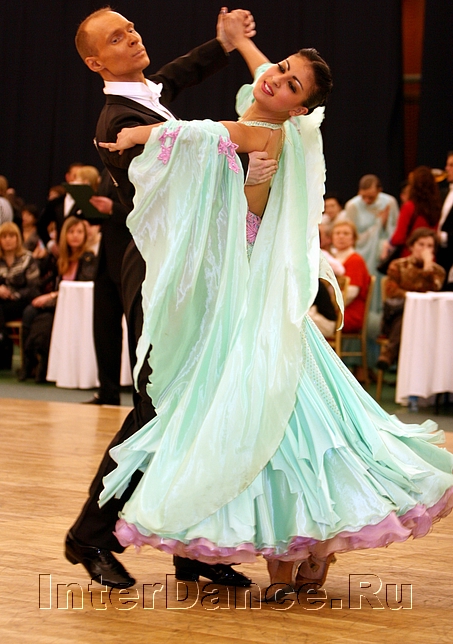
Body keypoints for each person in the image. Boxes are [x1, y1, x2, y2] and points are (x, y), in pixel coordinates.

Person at [98, 32, 453, 599]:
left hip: (255, 300)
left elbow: (210, 133)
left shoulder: (266, 131)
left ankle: (300, 554)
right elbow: (260, 86)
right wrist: (244, 46)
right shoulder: (277, 118)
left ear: (300, 108)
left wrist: (143, 133)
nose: (276, 79)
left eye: (291, 85)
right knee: (286, 422)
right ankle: (301, 558)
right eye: (281, 68)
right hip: (245, 296)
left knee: (282, 421)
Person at [65, 6, 268, 590]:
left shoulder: (144, 98)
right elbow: (179, 175)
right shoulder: (117, 121)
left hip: (188, 269)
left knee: (197, 407)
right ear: (95, 62)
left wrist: (223, 43)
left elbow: (175, 76)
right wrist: (245, 147)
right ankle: (89, 535)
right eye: (117, 37)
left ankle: (191, 548)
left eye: (132, 28)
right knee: (156, 410)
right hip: (157, 275)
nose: (133, 37)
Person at [19, 216, 98, 382]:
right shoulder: (59, 258)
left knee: (45, 321)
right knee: (29, 312)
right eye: (71, 232)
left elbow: (80, 287)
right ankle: (28, 362)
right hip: (57, 302)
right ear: (64, 235)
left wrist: (51, 296)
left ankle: (42, 365)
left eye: (79, 232)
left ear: (85, 235)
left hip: (72, 306)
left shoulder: (89, 258)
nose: (75, 236)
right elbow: (45, 281)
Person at [377, 228, 445, 371]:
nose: (425, 249)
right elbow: (392, 291)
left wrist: (428, 266)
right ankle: (391, 355)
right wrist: (413, 298)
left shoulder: (438, 272)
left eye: (429, 246)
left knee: (415, 318)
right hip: (396, 315)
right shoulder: (397, 265)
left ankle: (389, 354)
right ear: (412, 246)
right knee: (406, 316)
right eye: (421, 244)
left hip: (428, 320)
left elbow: (435, 290)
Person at [344, 174, 399, 316]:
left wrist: (384, 224)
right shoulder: (352, 206)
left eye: (371, 197)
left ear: (379, 191)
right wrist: (378, 225)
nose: (367, 201)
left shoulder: (389, 202)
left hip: (381, 255)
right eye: (363, 197)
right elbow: (352, 235)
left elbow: (394, 231)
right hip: (362, 253)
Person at [380, 166, 442, 263]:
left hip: (410, 258)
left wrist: (388, 244)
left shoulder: (409, 207)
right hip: (429, 257)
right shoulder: (436, 207)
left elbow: (399, 238)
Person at [0, 222, 40, 369]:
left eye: (11, 236)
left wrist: (14, 294)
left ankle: (2, 337)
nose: (8, 240)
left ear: (18, 238)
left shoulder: (27, 258)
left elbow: (34, 287)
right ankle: (2, 336)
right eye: (4, 237)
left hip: (23, 300)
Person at [330, 220, 371, 334]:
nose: (341, 236)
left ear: (353, 239)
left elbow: (351, 293)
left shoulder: (355, 260)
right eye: (337, 233)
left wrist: (328, 306)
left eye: (346, 233)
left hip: (347, 312)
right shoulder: (331, 258)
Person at [437, 151, 453, 288]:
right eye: (447, 165)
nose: (446, 169)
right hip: (440, 256)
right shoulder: (444, 193)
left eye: (451, 165)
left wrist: (442, 236)